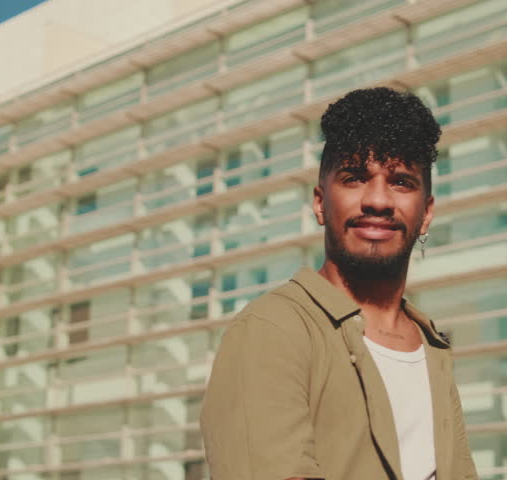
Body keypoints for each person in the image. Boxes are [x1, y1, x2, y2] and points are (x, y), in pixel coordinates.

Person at [200, 87, 478, 480]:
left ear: (427, 213)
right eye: (354, 178)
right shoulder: (272, 331)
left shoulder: (430, 346)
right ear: (319, 202)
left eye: (401, 182)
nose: (378, 200)